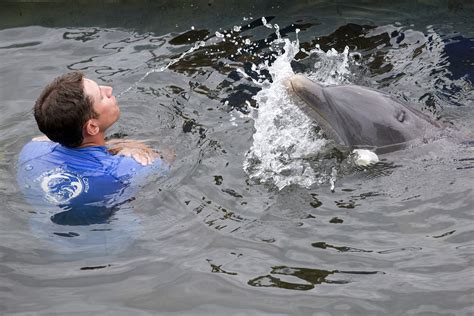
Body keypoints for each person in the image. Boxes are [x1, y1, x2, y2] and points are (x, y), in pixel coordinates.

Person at [17, 71, 172, 228]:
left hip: (44, 233)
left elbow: (47, 138)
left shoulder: (31, 151)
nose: (109, 89)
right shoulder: (124, 169)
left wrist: (113, 145)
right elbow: (169, 157)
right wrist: (135, 148)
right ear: (92, 127)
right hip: (109, 242)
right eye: (101, 96)